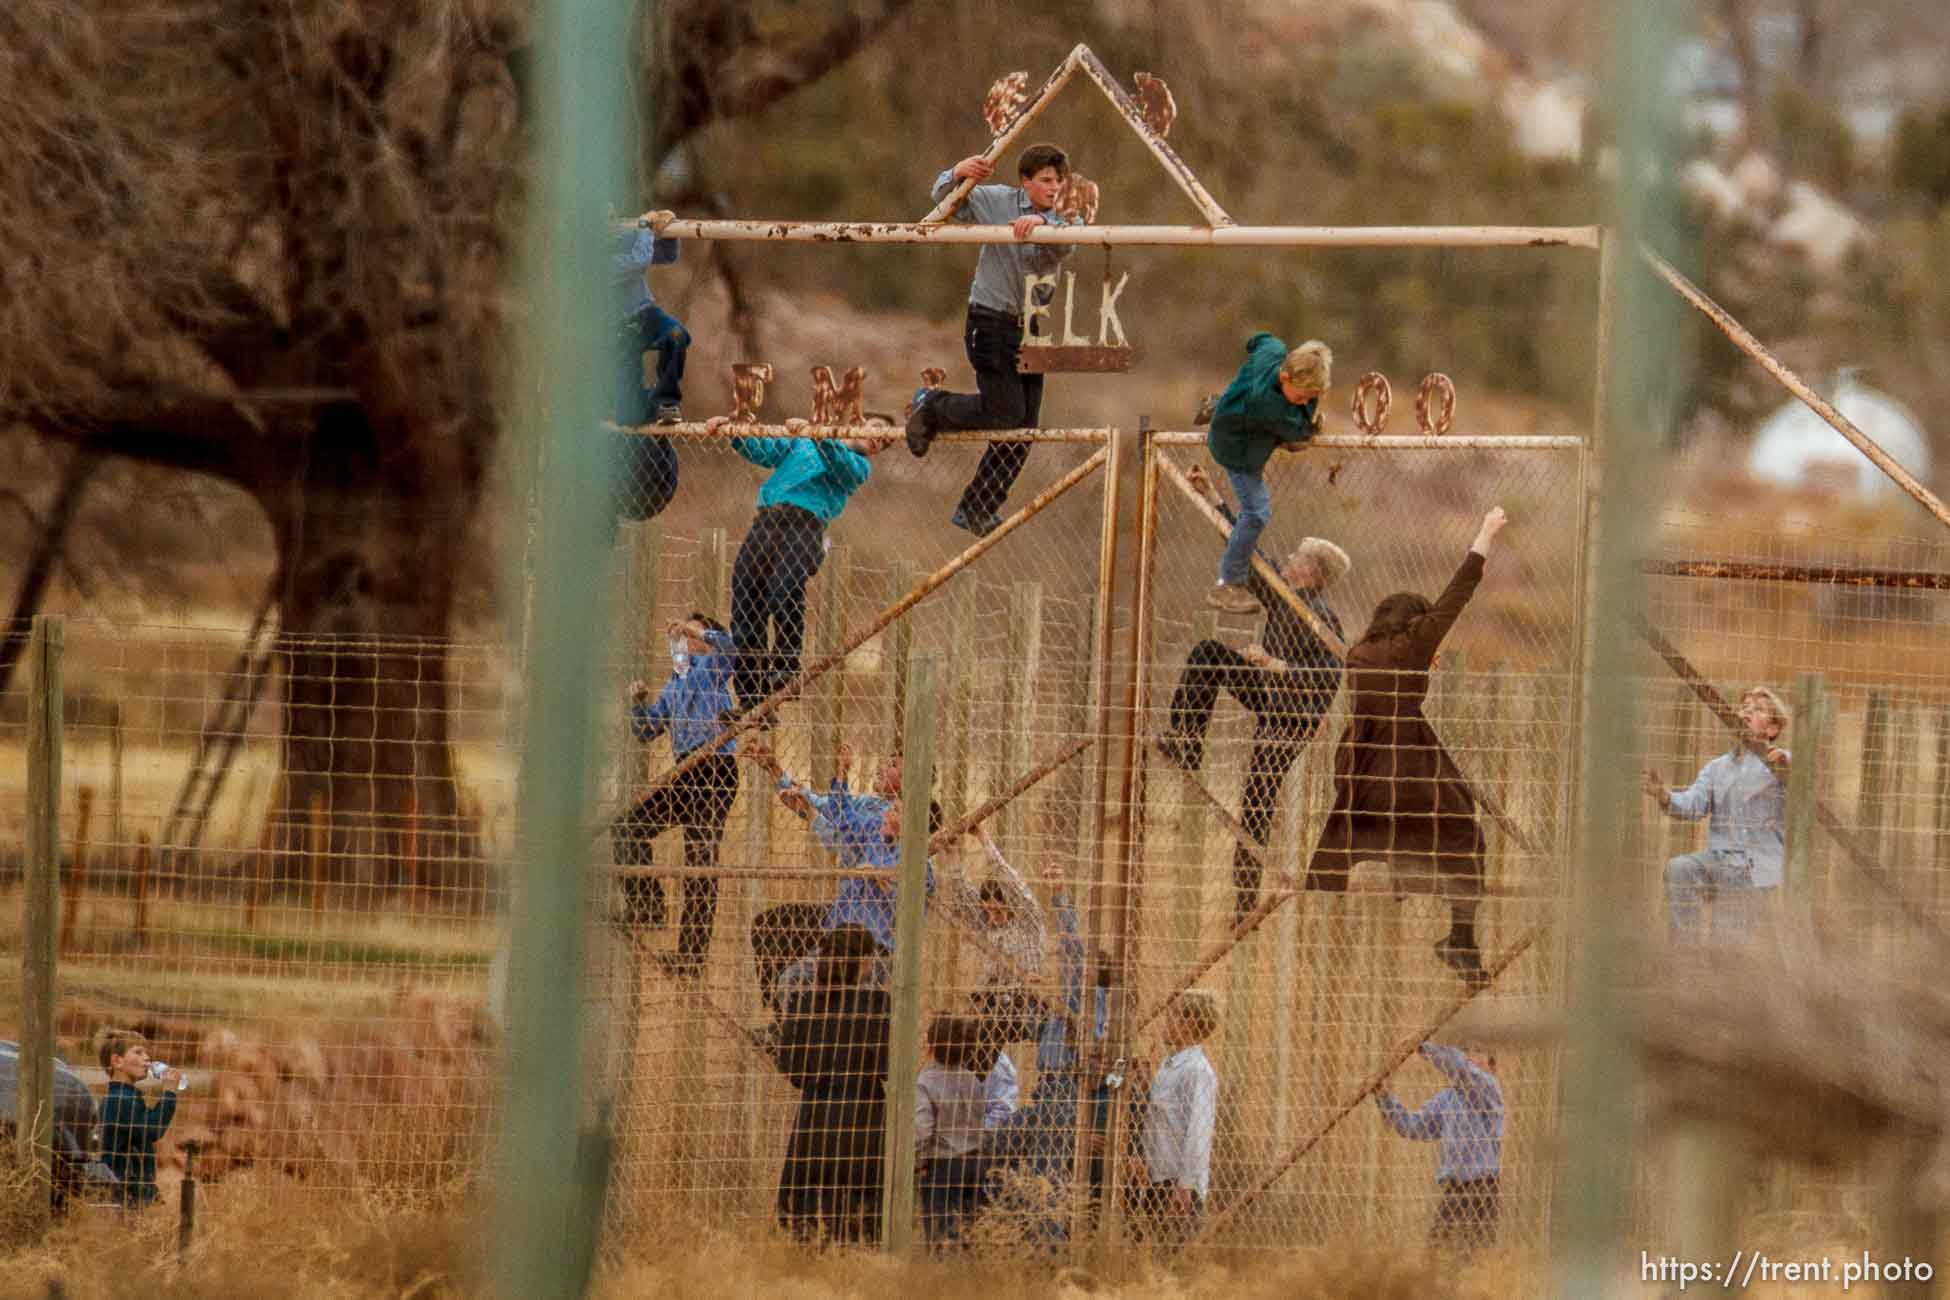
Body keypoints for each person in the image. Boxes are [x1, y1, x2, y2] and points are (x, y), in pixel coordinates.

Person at [1304, 506, 1510, 990]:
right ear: (1414, 623)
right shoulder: (1413, 644)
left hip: (1361, 775)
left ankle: (1398, 871)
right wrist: (1485, 532)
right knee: (1465, 831)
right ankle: (1461, 936)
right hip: (1407, 772)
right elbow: (1457, 595)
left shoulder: (1357, 653)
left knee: (1385, 830)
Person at [1159, 462, 1349, 924]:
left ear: (1313, 571)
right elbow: (1246, 548)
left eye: (1297, 559)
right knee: (1208, 653)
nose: (1287, 561)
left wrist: (1275, 664)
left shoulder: (1322, 614)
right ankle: (1186, 739)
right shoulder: (1285, 596)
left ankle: (1244, 901)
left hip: (1294, 718)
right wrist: (1213, 497)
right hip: (1270, 695)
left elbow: (1327, 678)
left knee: (1257, 798)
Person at [904, 143, 1080, 537]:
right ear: (1026, 181)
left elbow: (1071, 240)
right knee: (1005, 412)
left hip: (1032, 328)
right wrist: (956, 173)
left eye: (1059, 181)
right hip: (991, 320)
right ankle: (932, 405)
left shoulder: (1064, 215)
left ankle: (978, 506)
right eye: (1046, 181)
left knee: (1024, 428)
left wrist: (1044, 228)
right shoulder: (998, 201)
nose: (1055, 188)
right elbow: (944, 202)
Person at [741, 739, 937, 1015]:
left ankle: (789, 1024)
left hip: (869, 930)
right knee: (772, 932)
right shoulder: (872, 808)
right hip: (844, 912)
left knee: (831, 995)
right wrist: (776, 771)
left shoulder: (909, 834)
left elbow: (837, 832)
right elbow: (831, 809)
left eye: (893, 765)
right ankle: (782, 1022)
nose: (882, 767)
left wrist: (811, 812)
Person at [704, 418, 881, 715]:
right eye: (877, 429)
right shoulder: (802, 442)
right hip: (766, 522)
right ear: (856, 423)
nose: (880, 440)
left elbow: (836, 460)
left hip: (805, 527)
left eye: (885, 441)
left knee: (783, 590)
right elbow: (764, 450)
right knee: (746, 603)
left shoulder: (857, 466)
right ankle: (752, 699)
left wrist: (819, 436)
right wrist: (734, 432)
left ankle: (786, 665)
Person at [609, 614, 741, 980]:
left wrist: (696, 631)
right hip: (686, 771)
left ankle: (692, 954)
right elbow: (648, 730)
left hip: (714, 767)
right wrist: (637, 703)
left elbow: (732, 648)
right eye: (679, 632)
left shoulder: (713, 668)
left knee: (699, 859)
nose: (681, 637)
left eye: (690, 632)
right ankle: (647, 904)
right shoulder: (676, 682)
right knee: (627, 827)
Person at [1643, 687, 1791, 943]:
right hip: (1719, 859)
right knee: (1680, 869)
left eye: (1757, 709)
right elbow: (1693, 804)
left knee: (1726, 942)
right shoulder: (1717, 767)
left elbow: (1799, 783)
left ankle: (1724, 970)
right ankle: (1685, 957)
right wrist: (1664, 795)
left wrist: (1786, 768)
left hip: (1753, 867)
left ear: (1772, 729)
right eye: (1744, 706)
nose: (1746, 712)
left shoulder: (1780, 761)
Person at [1199, 333, 1332, 615]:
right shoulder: (1268, 405)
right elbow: (1298, 431)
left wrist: (1307, 399)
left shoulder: (1273, 351)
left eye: (1310, 397)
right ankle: (1228, 583)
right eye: (1301, 396)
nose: (1303, 401)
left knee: (1272, 415)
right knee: (1257, 512)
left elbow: (1257, 340)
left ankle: (1221, 404)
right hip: (1236, 451)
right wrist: (1310, 425)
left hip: (1237, 420)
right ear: (1284, 376)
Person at [777, 925, 893, 1244]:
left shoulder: (804, 1005)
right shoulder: (878, 1006)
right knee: (860, 1223)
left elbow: (792, 1070)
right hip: (864, 1119)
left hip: (815, 1118)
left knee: (807, 1220)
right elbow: (890, 1068)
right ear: (866, 962)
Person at [1373, 1037, 1504, 1250]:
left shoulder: (1490, 1089)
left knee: (1476, 1255)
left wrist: (1423, 1047)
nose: (1471, 1057)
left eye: (1479, 1053)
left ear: (1493, 1068)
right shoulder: (1447, 1099)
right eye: (1467, 1051)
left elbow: (1462, 1070)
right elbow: (1413, 1127)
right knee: (1437, 1255)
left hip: (1483, 1189)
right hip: (1453, 1191)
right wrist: (1384, 1097)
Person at [609, 212, 685, 521]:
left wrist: (667, 229)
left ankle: (666, 402)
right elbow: (639, 260)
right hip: (617, 328)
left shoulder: (620, 237)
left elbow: (665, 254)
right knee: (630, 413)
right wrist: (643, 227)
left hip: (643, 314)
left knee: (677, 337)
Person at [942, 825, 1048, 1043]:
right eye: (988, 910)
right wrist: (951, 852)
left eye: (998, 910)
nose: (992, 916)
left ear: (1010, 905)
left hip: (1024, 1004)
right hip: (993, 1002)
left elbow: (1012, 883)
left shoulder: (1028, 923)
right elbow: (963, 892)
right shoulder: (987, 925)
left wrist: (983, 838)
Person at [1133, 989, 1220, 1244]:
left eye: (1172, 1018)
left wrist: (1185, 1186)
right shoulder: (1168, 1065)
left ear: (1189, 1023)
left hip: (1179, 1183)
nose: (1166, 1024)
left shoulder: (1197, 1071)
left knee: (1175, 1257)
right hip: (1157, 1176)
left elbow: (1198, 1133)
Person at [914, 1015, 989, 1245]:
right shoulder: (973, 1080)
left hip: (942, 1166)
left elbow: (923, 1132)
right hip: (975, 1164)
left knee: (942, 1237)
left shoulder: (925, 1082)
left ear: (932, 1046)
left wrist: (918, 1163)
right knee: (971, 1233)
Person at [97, 1030, 183, 1207]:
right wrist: (169, 1093)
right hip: (125, 1195)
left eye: (146, 1052)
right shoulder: (121, 1100)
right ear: (117, 1061)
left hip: (131, 1190)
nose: (147, 1058)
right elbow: (151, 1130)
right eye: (138, 1052)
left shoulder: (126, 1097)